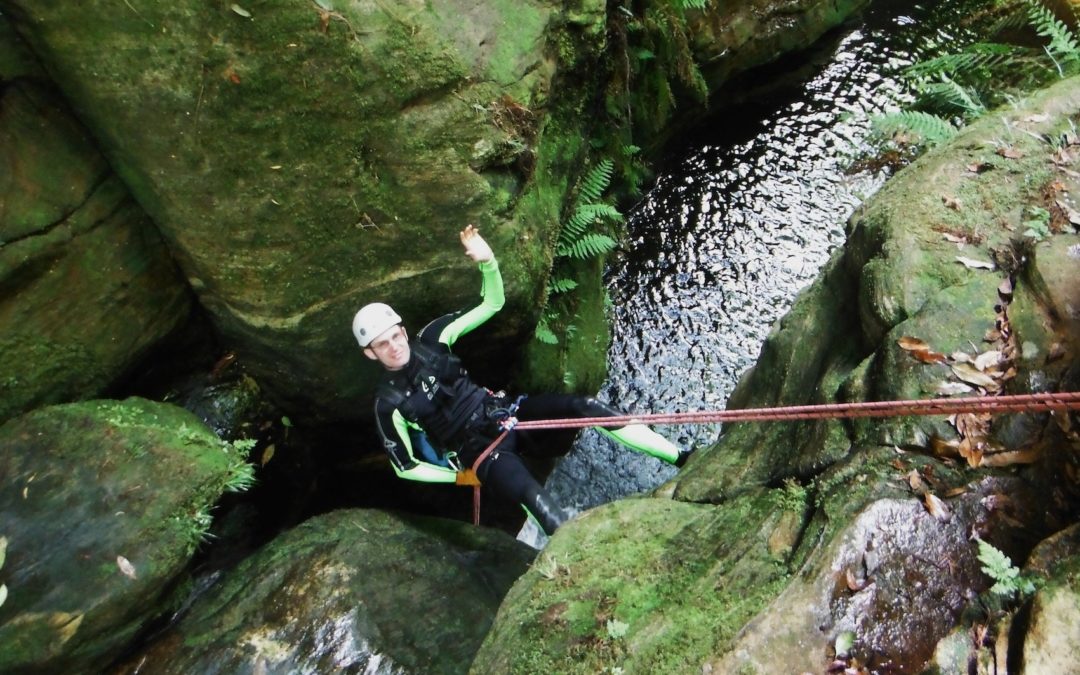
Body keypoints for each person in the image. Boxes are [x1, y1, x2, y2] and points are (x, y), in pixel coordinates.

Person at [353, 225, 692, 535]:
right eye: (383, 344)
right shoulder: (389, 403)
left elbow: (492, 303)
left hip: (505, 412)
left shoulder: (434, 339)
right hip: (479, 453)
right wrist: (457, 476)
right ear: (371, 354)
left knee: (586, 406)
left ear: (403, 330)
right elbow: (406, 466)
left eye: (396, 336)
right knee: (536, 498)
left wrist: (488, 263)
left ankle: (682, 459)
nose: (395, 347)